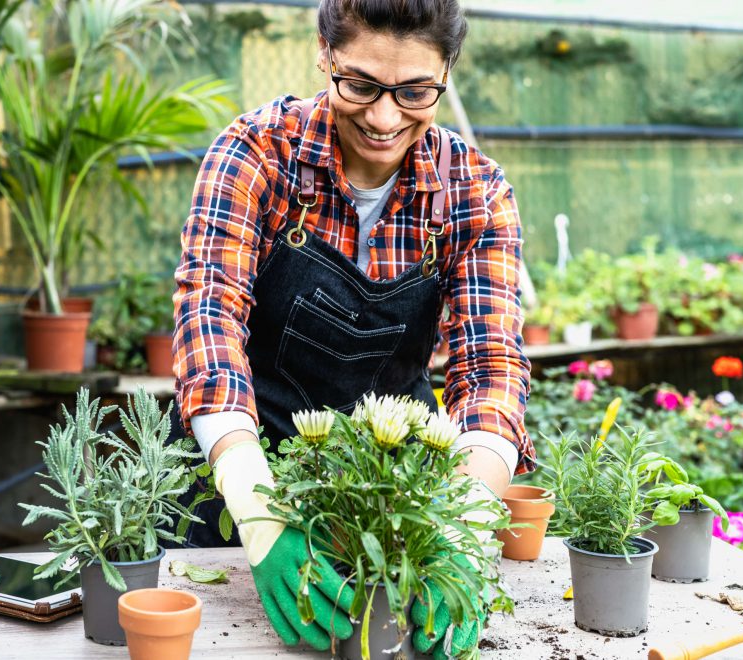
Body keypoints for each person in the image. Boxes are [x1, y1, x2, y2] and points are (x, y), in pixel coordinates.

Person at [172, 0, 534, 656]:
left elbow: (492, 370)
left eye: (416, 91)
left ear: (447, 71)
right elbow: (209, 320)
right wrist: (257, 515)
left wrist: (460, 526)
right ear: (323, 53)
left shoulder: (473, 191)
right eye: (360, 84)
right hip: (247, 465)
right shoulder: (260, 151)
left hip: (392, 483)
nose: (385, 117)